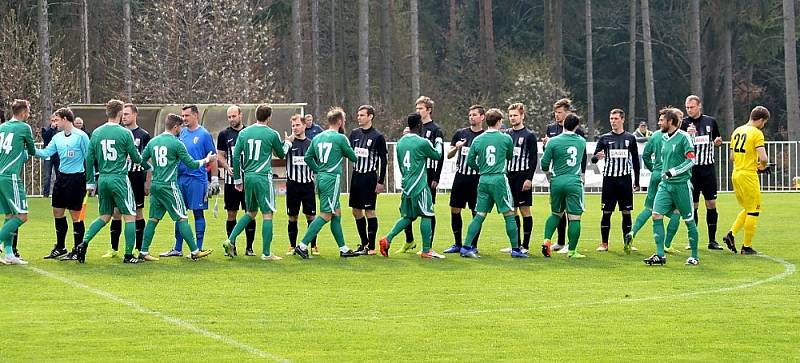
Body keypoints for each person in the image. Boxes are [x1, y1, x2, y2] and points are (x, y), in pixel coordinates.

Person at [74, 99, 146, 264]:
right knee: (130, 216)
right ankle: (128, 255)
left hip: (103, 179)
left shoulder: (97, 133)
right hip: (119, 178)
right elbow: (136, 157)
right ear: (120, 113)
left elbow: (89, 158)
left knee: (104, 216)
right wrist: (146, 164)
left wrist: (91, 182)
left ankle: (83, 243)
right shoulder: (125, 133)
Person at [138, 114, 214, 261]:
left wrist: (152, 168)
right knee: (182, 217)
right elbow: (191, 164)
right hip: (169, 186)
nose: (181, 130)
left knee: (153, 219)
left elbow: (141, 160)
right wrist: (206, 160)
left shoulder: (154, 141)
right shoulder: (177, 144)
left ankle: (143, 251)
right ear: (175, 127)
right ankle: (194, 251)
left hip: (156, 185)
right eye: (180, 127)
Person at [221, 104, 288, 260]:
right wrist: (288, 142)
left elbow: (236, 157)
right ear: (269, 117)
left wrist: (238, 179)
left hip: (248, 177)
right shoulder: (272, 134)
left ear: (256, 115)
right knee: (267, 214)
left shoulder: (244, 133)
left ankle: (230, 240)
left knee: (251, 212)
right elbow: (281, 153)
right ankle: (266, 253)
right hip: (263, 177)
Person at [293, 107, 360, 259]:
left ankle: (343, 249)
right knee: (326, 214)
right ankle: (302, 246)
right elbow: (353, 157)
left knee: (336, 214)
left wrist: (318, 170)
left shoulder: (317, 137)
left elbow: (308, 158)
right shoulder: (340, 138)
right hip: (332, 179)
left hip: (321, 178)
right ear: (340, 121)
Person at [458, 108, 524, 258]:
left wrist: (480, 168)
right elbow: (509, 156)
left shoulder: (478, 139)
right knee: (509, 214)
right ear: (499, 122)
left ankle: (466, 247)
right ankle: (515, 249)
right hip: (499, 179)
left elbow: (469, 160)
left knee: (479, 214)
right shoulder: (505, 138)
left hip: (483, 179)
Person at [378, 112, 444, 258]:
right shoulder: (422, 142)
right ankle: (426, 251)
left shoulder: (400, 142)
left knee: (408, 217)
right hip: (419, 185)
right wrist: (438, 142)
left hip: (406, 184)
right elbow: (437, 155)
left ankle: (387, 239)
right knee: (427, 214)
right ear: (419, 125)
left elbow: (401, 165)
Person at [644, 107, 700, 266]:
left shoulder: (684, 138)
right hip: (665, 186)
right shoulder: (663, 138)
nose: (660, 123)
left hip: (681, 185)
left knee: (689, 220)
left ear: (671, 122)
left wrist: (673, 172)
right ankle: (660, 255)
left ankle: (694, 256)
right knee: (656, 215)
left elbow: (691, 161)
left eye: (663, 120)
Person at [160, 105, 218, 257]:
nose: (184, 119)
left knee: (198, 213)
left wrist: (214, 179)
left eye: (187, 116)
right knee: (180, 214)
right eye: (183, 116)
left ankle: (197, 249)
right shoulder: (181, 133)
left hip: (197, 179)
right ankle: (177, 248)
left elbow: (213, 157)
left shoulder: (204, 134)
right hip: (180, 179)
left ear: (196, 115)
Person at [35, 108, 90, 260]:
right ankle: (60, 247)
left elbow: (89, 157)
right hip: (61, 178)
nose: (54, 123)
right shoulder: (57, 137)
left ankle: (77, 249)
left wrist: (91, 180)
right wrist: (29, 148)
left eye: (56, 120)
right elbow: (46, 153)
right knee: (57, 212)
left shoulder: (81, 136)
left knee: (76, 216)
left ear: (65, 119)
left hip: (76, 179)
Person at [626, 109, 681, 254]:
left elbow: (645, 156)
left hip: (657, 175)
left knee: (649, 208)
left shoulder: (655, 135)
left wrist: (654, 170)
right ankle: (667, 244)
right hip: (671, 177)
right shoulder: (678, 137)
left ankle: (632, 233)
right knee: (677, 211)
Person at [397, 96, 444, 253]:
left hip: (428, 173)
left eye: (421, 108)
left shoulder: (435, 129)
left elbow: (439, 155)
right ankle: (409, 240)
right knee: (405, 210)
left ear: (428, 110)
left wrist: (436, 177)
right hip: (414, 173)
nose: (418, 111)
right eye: (416, 108)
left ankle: (427, 245)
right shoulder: (412, 130)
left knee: (428, 210)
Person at [722, 106, 771, 255]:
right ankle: (746, 247)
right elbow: (763, 158)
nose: (764, 125)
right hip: (748, 175)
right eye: (764, 122)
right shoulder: (757, 133)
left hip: (736, 173)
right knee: (754, 210)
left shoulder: (737, 130)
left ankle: (731, 234)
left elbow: (732, 157)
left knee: (747, 208)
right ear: (761, 120)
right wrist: (762, 166)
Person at [104, 103, 151, 258]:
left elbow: (147, 160)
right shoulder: (117, 133)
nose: (124, 117)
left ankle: (138, 248)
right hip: (120, 177)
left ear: (135, 115)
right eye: (122, 114)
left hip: (136, 177)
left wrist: (147, 181)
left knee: (137, 212)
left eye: (127, 114)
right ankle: (114, 248)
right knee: (116, 212)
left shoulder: (143, 135)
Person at [591, 109, 640, 252]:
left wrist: (636, 181)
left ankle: (628, 242)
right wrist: (597, 157)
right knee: (606, 212)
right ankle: (604, 243)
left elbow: (636, 160)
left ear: (623, 120)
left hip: (625, 180)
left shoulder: (630, 138)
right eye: (611, 118)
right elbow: (594, 158)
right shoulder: (604, 138)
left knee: (626, 211)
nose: (613, 121)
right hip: (609, 180)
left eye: (616, 118)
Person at [542, 98, 587, 254]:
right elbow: (581, 159)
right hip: (573, 181)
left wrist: (549, 175)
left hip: (557, 181)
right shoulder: (581, 141)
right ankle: (572, 251)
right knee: (574, 218)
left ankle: (546, 240)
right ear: (577, 126)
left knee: (555, 214)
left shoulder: (553, 141)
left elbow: (544, 164)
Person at [682, 95, 724, 250]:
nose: (689, 110)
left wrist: (718, 143)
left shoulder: (710, 121)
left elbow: (717, 139)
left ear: (699, 106)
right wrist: (688, 134)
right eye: (687, 107)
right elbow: (680, 145)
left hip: (708, 169)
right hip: (692, 170)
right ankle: (692, 240)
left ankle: (712, 240)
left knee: (711, 203)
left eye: (692, 107)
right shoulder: (684, 124)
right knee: (693, 205)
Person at [442, 105, 485, 255]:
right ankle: (457, 243)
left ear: (482, 117)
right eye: (470, 115)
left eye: (474, 115)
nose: (471, 117)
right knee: (455, 209)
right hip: (461, 177)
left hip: (477, 178)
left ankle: (473, 244)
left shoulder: (485, 136)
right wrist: (457, 148)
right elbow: (449, 155)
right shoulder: (460, 133)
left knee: (476, 212)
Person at [0, 99, 37, 265]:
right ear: (23, 112)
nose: (28, 114)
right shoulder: (24, 128)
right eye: (28, 111)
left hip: (1, 175)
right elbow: (32, 150)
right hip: (10, 176)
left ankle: (9, 254)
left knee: (10, 215)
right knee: (22, 216)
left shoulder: (2, 127)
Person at [217, 105, 257, 256]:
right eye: (229, 117)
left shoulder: (249, 133)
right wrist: (227, 167)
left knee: (250, 212)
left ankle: (249, 247)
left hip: (248, 181)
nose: (231, 119)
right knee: (231, 214)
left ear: (241, 115)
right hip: (230, 181)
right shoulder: (223, 134)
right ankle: (231, 246)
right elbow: (220, 155)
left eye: (234, 116)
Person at [349, 105, 388, 255]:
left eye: (362, 115)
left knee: (369, 211)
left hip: (369, 177)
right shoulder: (354, 134)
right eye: (358, 115)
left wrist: (381, 181)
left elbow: (383, 160)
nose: (359, 117)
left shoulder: (378, 136)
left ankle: (371, 247)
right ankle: (364, 243)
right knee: (355, 211)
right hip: (356, 176)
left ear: (370, 116)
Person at [500, 103, 538, 254]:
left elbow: (534, 159)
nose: (512, 118)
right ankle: (515, 244)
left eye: (515, 115)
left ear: (522, 116)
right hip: (509, 176)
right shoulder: (506, 134)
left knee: (524, 210)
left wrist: (529, 178)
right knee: (511, 210)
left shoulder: (529, 135)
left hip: (522, 176)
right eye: (510, 116)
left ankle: (526, 246)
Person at [284, 114, 318, 255]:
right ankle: (292, 246)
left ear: (304, 126)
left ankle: (313, 245)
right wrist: (287, 142)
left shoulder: (311, 144)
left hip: (307, 185)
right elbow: (280, 154)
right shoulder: (288, 143)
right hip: (293, 185)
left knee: (311, 217)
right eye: (293, 125)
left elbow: (317, 162)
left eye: (298, 125)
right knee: (292, 216)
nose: (295, 128)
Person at [41, 115, 60, 198]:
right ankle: (46, 194)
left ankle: (59, 193)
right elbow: (45, 138)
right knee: (47, 176)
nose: (54, 122)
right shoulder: (45, 129)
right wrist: (51, 129)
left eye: (55, 120)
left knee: (59, 174)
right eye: (52, 120)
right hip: (48, 155)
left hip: (57, 155)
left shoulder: (60, 130)